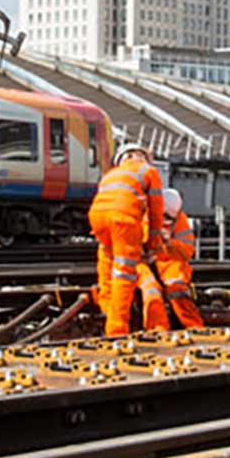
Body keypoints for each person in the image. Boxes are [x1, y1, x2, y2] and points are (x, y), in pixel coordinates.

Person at [90, 141, 167, 336]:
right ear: (143, 157)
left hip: (97, 219)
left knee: (107, 266)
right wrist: (154, 241)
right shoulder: (148, 171)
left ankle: (106, 310)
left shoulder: (110, 174)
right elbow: (156, 209)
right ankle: (116, 329)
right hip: (123, 219)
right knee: (124, 273)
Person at [135, 188, 205, 330]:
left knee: (177, 287)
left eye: (170, 218)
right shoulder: (141, 216)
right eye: (164, 216)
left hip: (166, 261)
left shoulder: (180, 220)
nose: (167, 221)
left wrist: (170, 243)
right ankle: (158, 329)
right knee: (151, 290)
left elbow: (186, 252)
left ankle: (195, 327)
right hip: (140, 262)